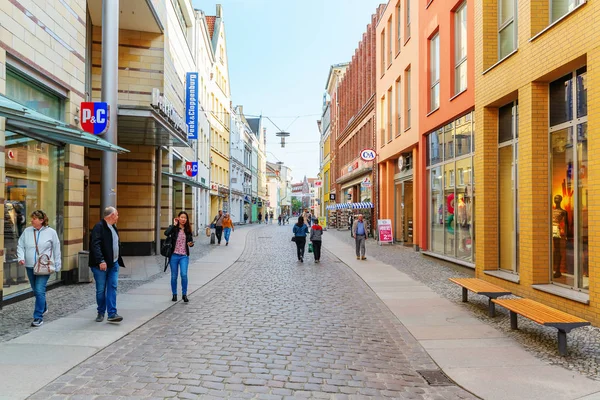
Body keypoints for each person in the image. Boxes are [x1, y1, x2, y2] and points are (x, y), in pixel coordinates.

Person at [17, 210, 61, 327]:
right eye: (32, 218)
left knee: (39, 290)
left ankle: (38, 317)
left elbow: (56, 249)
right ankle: (44, 306)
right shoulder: (27, 231)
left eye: (34, 218)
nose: (31, 220)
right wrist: (21, 257)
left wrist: (57, 264)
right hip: (30, 266)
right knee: (36, 290)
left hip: (44, 266)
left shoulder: (51, 232)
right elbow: (20, 245)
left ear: (41, 220)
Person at [89, 207, 125, 323]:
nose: (118, 217)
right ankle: (100, 312)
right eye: (117, 215)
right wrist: (101, 261)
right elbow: (95, 245)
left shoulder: (113, 227)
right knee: (100, 289)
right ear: (111, 216)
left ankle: (112, 313)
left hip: (113, 264)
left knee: (112, 287)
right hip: (101, 265)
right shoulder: (99, 227)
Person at [164, 211, 194, 302]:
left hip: (184, 256)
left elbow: (191, 242)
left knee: (184, 274)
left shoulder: (188, 230)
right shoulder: (174, 229)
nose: (183, 219)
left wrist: (191, 244)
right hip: (174, 255)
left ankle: (184, 294)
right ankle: (174, 294)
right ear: (178, 218)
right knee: (174, 276)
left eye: (185, 218)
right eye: (182, 217)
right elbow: (166, 233)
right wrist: (174, 225)